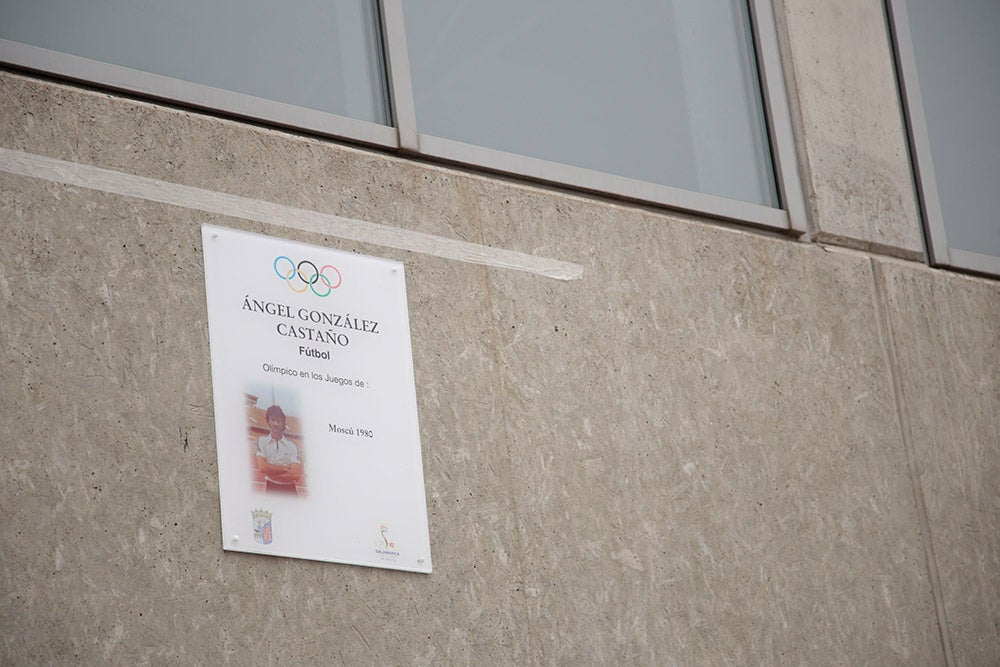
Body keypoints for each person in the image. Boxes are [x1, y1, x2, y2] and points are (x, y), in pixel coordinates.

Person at [255, 405, 302, 494]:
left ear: (283, 424)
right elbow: (263, 467)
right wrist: (284, 469)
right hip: (271, 488)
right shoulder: (262, 441)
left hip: (290, 490)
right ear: (268, 421)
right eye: (273, 420)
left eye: (278, 421)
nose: (275, 424)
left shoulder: (292, 446)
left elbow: (295, 474)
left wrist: (271, 472)